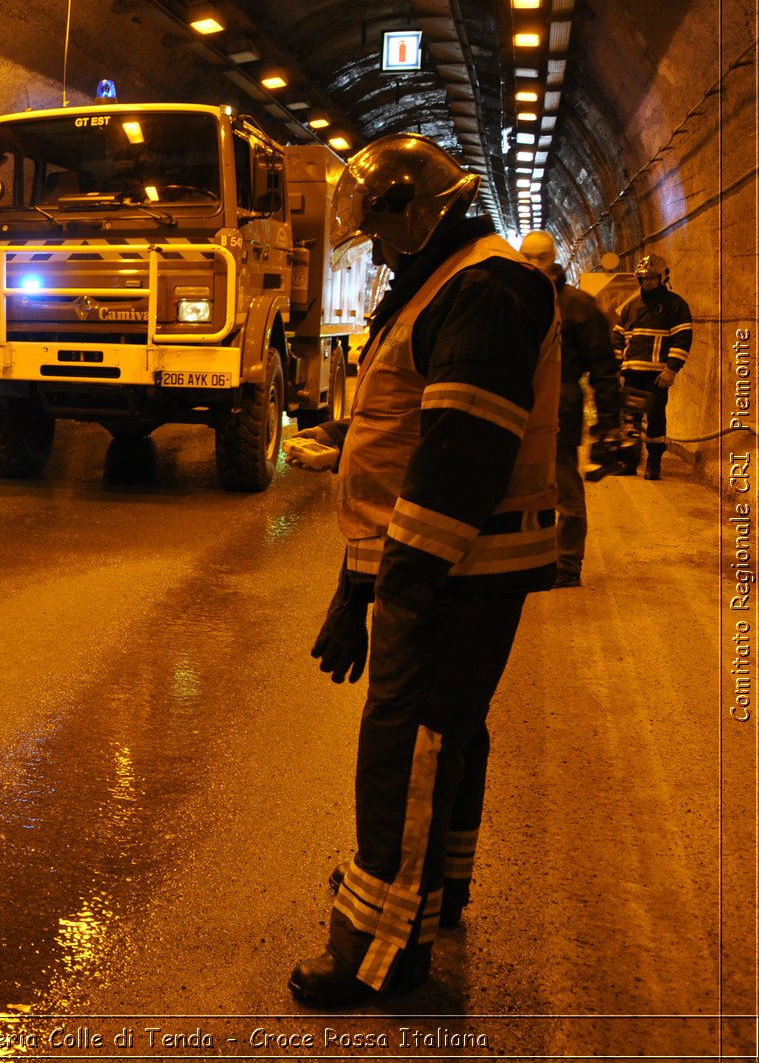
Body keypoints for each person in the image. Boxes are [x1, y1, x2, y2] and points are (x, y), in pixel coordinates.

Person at [286, 133, 560, 1008]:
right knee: (444, 738)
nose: (376, 248)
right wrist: (353, 581)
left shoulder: (484, 288)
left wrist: (398, 585)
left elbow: (460, 456)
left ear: (418, 215)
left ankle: (378, 949)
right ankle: (431, 894)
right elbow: (408, 433)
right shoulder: (448, 284)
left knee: (407, 740)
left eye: (382, 231)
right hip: (448, 561)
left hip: (457, 564)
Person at [519, 231, 621, 586]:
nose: (533, 265)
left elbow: (604, 368)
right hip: (515, 408)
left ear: (554, 258)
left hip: (559, 410)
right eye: (527, 257)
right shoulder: (509, 299)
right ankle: (523, 559)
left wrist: (609, 424)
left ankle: (566, 565)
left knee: (565, 490)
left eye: (540, 258)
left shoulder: (577, 305)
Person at [611, 253, 692, 479]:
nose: (647, 282)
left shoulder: (675, 305)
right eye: (643, 279)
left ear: (663, 278)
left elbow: (682, 338)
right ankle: (629, 462)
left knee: (656, 418)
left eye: (651, 278)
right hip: (633, 374)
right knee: (630, 418)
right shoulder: (632, 307)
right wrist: (618, 369)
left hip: (657, 376)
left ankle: (653, 464)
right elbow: (618, 337)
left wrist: (671, 369)